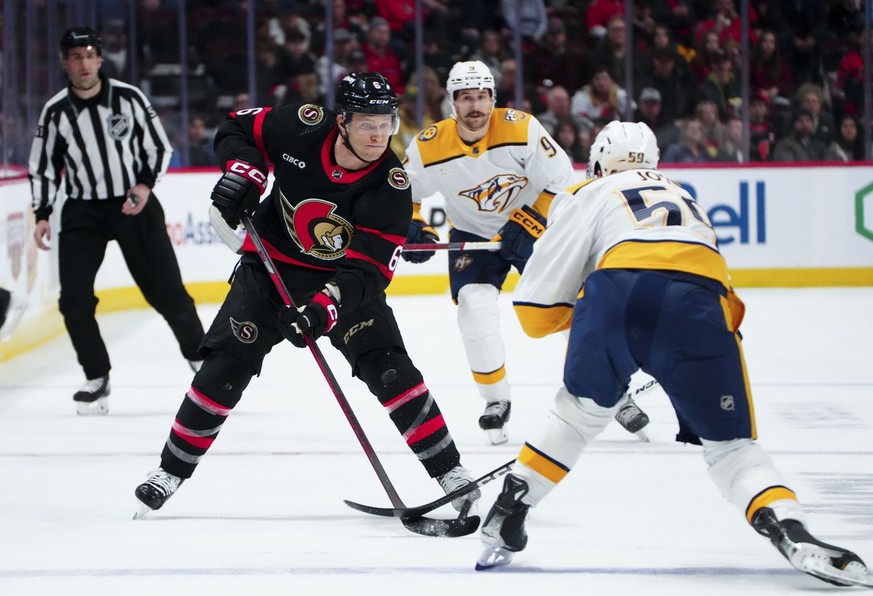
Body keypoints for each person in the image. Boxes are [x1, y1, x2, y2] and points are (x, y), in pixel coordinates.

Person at [475, 121, 871, 588]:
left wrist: (567, 286)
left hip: (616, 296)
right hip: (701, 305)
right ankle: (787, 525)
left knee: (577, 415)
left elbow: (536, 314)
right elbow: (678, 274)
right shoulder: (685, 196)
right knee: (732, 450)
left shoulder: (592, 191)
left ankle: (509, 509)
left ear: (598, 163)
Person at [133, 72, 480, 519]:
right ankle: (169, 472)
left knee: (390, 369)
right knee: (225, 365)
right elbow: (238, 126)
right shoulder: (302, 124)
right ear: (342, 121)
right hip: (271, 270)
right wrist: (246, 171)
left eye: (386, 123)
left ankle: (450, 472)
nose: (379, 135)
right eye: (367, 123)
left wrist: (323, 309)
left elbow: (368, 271)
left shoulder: (390, 185)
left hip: (340, 284)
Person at [400, 61, 650, 445]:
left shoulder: (521, 127)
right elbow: (406, 194)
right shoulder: (429, 145)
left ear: (493, 99)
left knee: (568, 308)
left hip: (534, 227)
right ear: (451, 102)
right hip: (475, 234)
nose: (475, 106)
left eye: (482, 96)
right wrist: (414, 226)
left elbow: (564, 181)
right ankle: (495, 401)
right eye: (466, 98)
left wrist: (528, 221)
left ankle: (614, 392)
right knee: (474, 311)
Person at [28, 27, 205, 416]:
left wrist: (143, 187)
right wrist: (42, 213)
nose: (83, 63)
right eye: (75, 56)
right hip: (82, 211)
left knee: (167, 292)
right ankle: (96, 376)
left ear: (100, 59)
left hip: (134, 204)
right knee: (73, 299)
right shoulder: (56, 111)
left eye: (89, 54)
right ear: (64, 63)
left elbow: (159, 146)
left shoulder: (128, 98)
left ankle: (201, 359)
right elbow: (43, 166)